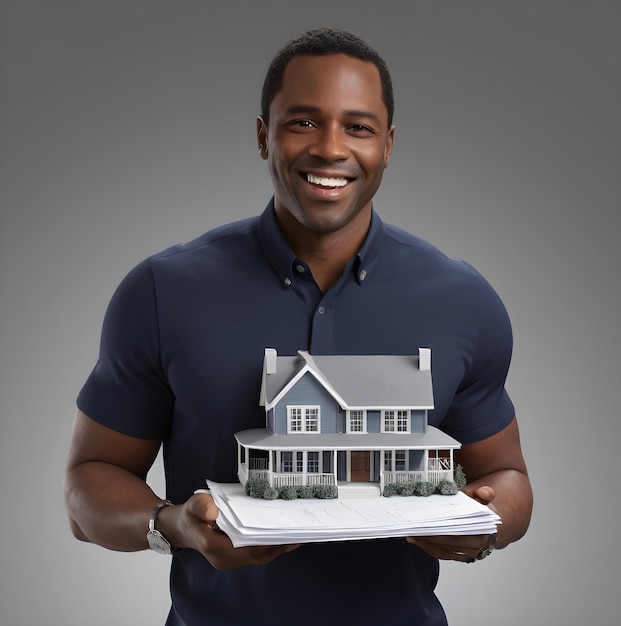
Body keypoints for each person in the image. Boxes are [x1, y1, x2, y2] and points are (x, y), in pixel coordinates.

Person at [64, 27, 532, 626]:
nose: (330, 149)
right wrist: (172, 524)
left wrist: (486, 526)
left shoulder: (465, 300)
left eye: (358, 127)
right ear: (264, 134)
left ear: (388, 145)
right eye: (304, 122)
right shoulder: (162, 291)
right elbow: (88, 486)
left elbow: (507, 475)